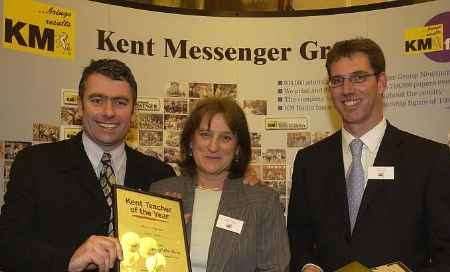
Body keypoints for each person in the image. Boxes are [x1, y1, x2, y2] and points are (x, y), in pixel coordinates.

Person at [287, 37, 450, 272]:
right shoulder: (310, 162)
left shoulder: (429, 159)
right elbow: (299, 239)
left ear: (381, 83)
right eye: (338, 81)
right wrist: (307, 266)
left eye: (359, 78)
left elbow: (446, 254)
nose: (347, 90)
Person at [0, 59, 175, 271]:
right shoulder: (35, 164)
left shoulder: (159, 175)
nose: (108, 112)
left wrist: (174, 233)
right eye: (97, 100)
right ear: (80, 107)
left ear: (133, 112)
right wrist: (68, 260)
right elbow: (8, 246)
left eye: (120, 102)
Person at [150, 97, 290, 272]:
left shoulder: (262, 202)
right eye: (205, 135)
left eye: (225, 138)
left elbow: (275, 268)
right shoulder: (161, 192)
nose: (213, 146)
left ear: (237, 148)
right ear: (191, 142)